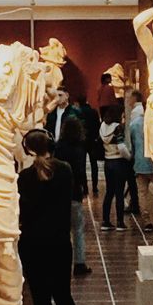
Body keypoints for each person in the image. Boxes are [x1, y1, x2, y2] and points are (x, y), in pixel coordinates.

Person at [17, 130, 86, 305]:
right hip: (59, 243)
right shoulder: (64, 170)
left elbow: (23, 212)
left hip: (33, 244)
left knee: (41, 300)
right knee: (64, 297)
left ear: (28, 150)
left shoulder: (24, 177)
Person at [56, 113, 92, 276]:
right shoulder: (79, 148)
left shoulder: (58, 147)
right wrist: (85, 187)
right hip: (74, 191)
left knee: (61, 230)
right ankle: (79, 262)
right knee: (77, 229)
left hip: (59, 192)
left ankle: (60, 261)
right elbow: (80, 170)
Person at [98, 103, 131, 231]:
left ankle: (106, 220)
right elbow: (121, 147)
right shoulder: (118, 128)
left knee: (109, 192)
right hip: (118, 162)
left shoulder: (102, 126)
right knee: (119, 192)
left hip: (108, 161)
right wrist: (129, 157)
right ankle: (120, 222)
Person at [128, 93, 153, 234]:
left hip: (139, 161)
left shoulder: (134, 123)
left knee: (142, 194)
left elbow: (132, 144)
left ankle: (147, 221)